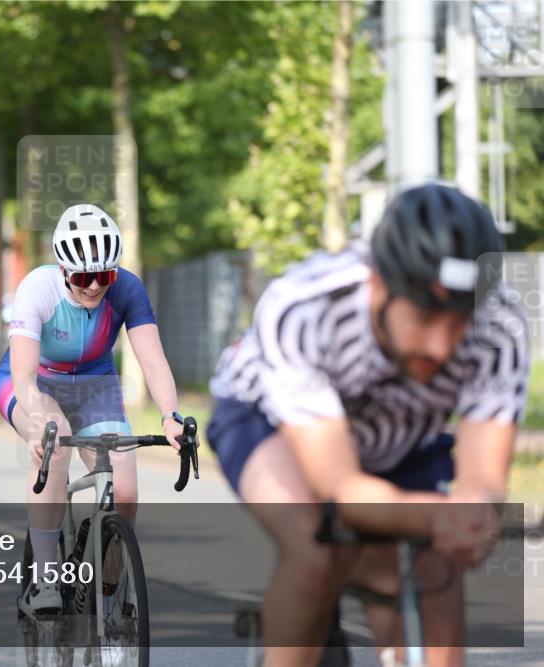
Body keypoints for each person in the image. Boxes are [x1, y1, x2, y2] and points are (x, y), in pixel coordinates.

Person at [206, 183, 529, 667]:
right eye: (423, 316)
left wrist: (472, 515)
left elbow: (483, 480)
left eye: (458, 322)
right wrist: (436, 515)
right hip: (270, 419)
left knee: (436, 575)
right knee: (318, 548)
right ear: (378, 283)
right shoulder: (304, 306)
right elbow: (341, 489)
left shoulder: (500, 328)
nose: (441, 347)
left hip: (401, 432)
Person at [0, 203, 189, 613]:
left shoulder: (127, 289)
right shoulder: (37, 288)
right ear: (64, 269)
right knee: (55, 443)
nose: (96, 286)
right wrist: (40, 419)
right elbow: (25, 378)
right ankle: (45, 581)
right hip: (33, 382)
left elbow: (153, 360)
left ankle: (109, 591)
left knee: (126, 488)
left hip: (96, 386)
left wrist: (170, 416)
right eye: (84, 278)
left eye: (105, 275)